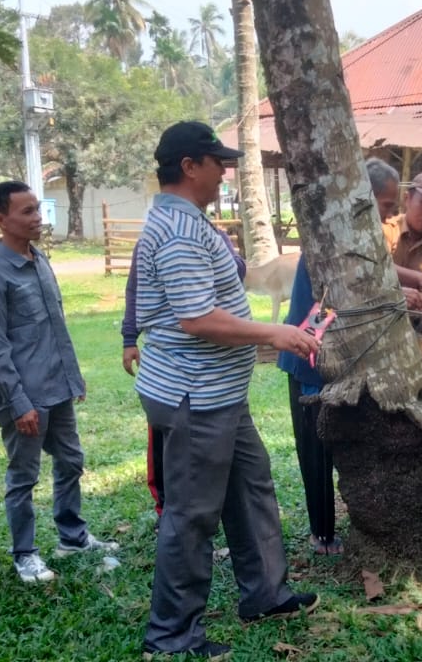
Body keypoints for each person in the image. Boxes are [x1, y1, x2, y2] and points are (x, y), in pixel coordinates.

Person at [134, 121, 320, 660]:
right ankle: (171, 638)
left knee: (251, 485)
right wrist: (274, 331)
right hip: (194, 397)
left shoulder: (190, 222)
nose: (225, 172)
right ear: (190, 166)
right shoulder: (177, 231)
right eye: (217, 162)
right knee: (192, 515)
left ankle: (264, 593)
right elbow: (195, 318)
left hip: (218, 395)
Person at [277, 158, 422, 556]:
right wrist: (398, 293)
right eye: (386, 204)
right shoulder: (331, 231)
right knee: (315, 446)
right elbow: (349, 290)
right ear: (362, 197)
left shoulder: (356, 231)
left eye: (391, 207)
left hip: (344, 356)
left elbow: (373, 272)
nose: (389, 214)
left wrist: (413, 282)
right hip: (314, 350)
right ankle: (322, 535)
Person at [0, 180, 118, 586]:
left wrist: (74, 376)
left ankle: (72, 537)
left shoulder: (40, 260)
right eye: (27, 212)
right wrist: (19, 404)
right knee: (23, 478)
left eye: (38, 209)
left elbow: (56, 326)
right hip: (25, 398)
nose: (38, 218)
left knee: (72, 461)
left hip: (59, 388)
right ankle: (25, 555)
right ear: (1, 220)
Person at [122, 224, 246, 523]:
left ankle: (214, 511)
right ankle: (167, 510)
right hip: (173, 371)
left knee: (218, 448)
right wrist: (129, 338)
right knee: (169, 446)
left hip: (217, 369)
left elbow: (239, 271)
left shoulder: (216, 236)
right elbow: (135, 288)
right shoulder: (154, 240)